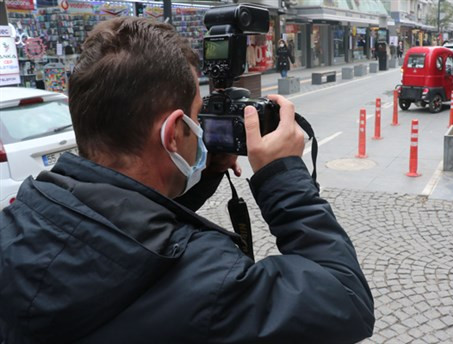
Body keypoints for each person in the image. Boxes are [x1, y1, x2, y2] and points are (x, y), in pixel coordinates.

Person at [0, 17, 375, 342]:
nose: (203, 133)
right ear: (174, 132)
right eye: (198, 118)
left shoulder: (17, 224)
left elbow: (115, 229)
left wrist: (205, 174)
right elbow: (347, 300)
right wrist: (284, 176)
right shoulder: (208, 284)